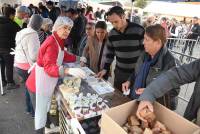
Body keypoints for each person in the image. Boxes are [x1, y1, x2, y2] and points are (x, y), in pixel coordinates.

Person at [25, 16, 86, 134]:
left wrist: (78, 58)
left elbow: (63, 55)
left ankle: (48, 126)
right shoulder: (52, 42)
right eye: (65, 28)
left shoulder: (58, 40)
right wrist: (68, 71)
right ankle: (41, 131)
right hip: (37, 84)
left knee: (45, 107)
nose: (67, 31)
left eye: (69, 29)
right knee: (40, 113)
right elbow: (49, 67)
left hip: (45, 82)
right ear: (57, 27)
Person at [122, 24, 179, 110]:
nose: (143, 42)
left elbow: (174, 90)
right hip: (138, 99)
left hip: (156, 107)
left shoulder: (170, 62)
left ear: (158, 42)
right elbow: (136, 72)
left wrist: (152, 91)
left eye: (147, 39)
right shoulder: (144, 54)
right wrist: (129, 81)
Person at [136, 59, 200, 125]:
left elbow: (175, 90)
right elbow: (175, 75)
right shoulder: (145, 56)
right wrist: (149, 93)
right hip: (193, 121)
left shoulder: (169, 59)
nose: (145, 47)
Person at [97, 6, 144, 91]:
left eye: (116, 21)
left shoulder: (139, 30)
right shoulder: (111, 34)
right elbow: (110, 54)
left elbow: (145, 53)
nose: (114, 25)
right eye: (112, 23)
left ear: (123, 16)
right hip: (120, 73)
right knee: (118, 96)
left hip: (136, 73)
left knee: (133, 100)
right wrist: (105, 69)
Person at [14, 14, 43, 117]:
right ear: (39, 24)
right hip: (27, 66)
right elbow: (34, 56)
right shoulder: (33, 34)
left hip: (18, 64)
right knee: (32, 89)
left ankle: (28, 108)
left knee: (27, 87)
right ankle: (32, 111)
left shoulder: (23, 31)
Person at [0, 6, 21, 89]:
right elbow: (20, 32)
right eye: (14, 15)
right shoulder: (11, 23)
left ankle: (3, 81)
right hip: (8, 48)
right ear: (11, 15)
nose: (14, 16)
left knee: (2, 64)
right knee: (9, 65)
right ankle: (10, 83)